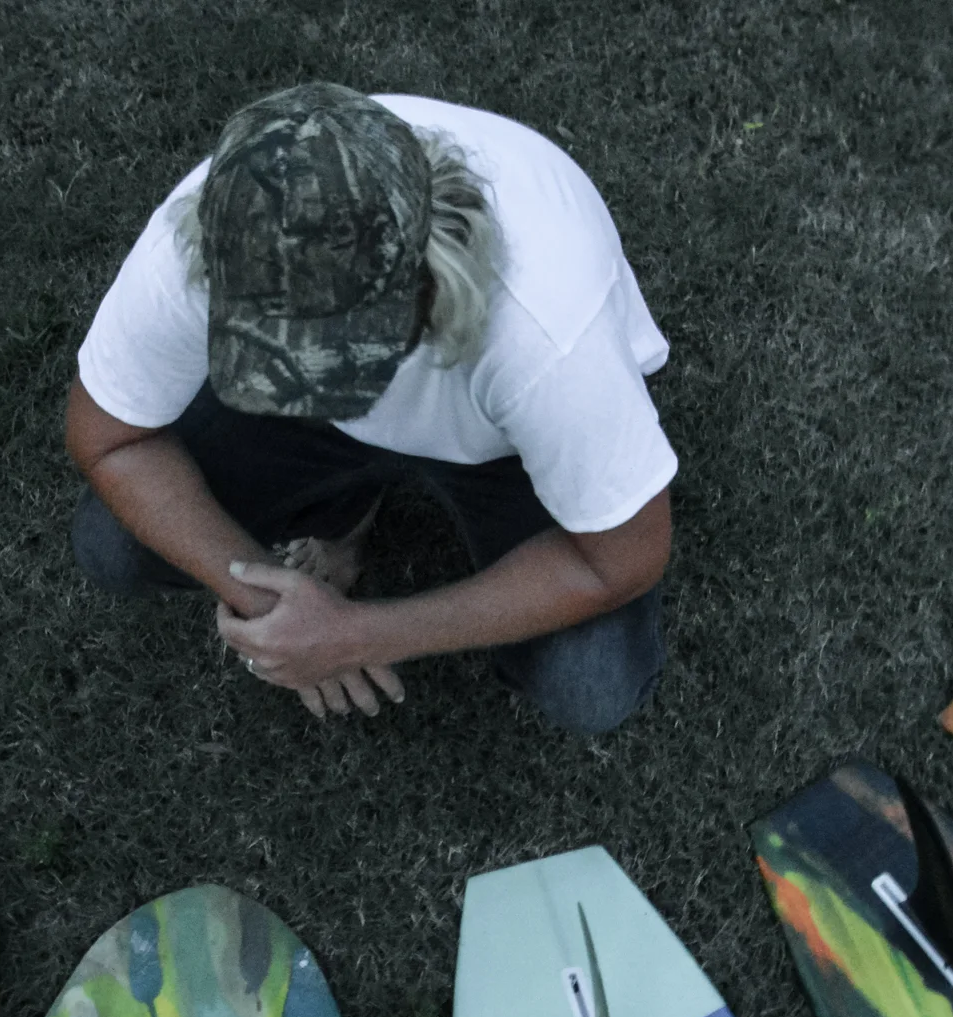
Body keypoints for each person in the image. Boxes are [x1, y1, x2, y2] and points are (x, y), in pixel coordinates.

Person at [67, 83, 677, 733]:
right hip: (387, 403)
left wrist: (364, 634)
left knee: (592, 683)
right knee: (116, 543)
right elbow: (108, 437)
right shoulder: (202, 240)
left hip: (502, 448)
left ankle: (361, 502)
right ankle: (349, 510)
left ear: (429, 286)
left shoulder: (545, 335)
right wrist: (266, 597)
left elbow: (623, 557)